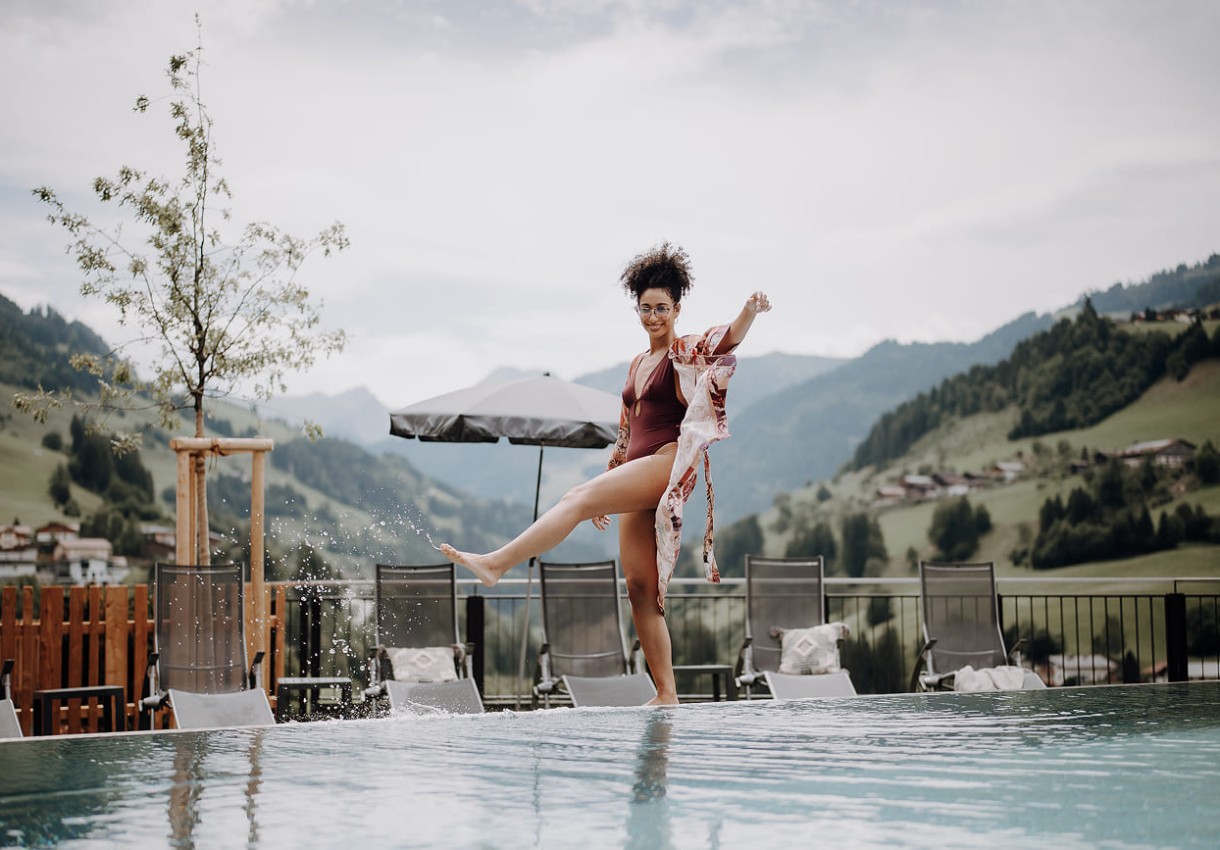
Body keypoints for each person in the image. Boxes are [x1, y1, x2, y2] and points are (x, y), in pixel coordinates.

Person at [441, 242, 771, 705]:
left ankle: (496, 563)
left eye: (661, 308)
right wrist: (614, 467)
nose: (653, 316)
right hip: (635, 468)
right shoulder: (637, 363)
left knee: (575, 499)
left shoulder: (682, 351)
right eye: (645, 308)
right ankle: (667, 694)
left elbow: (725, 340)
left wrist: (748, 311)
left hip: (664, 464)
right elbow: (627, 425)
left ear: (677, 308)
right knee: (640, 589)